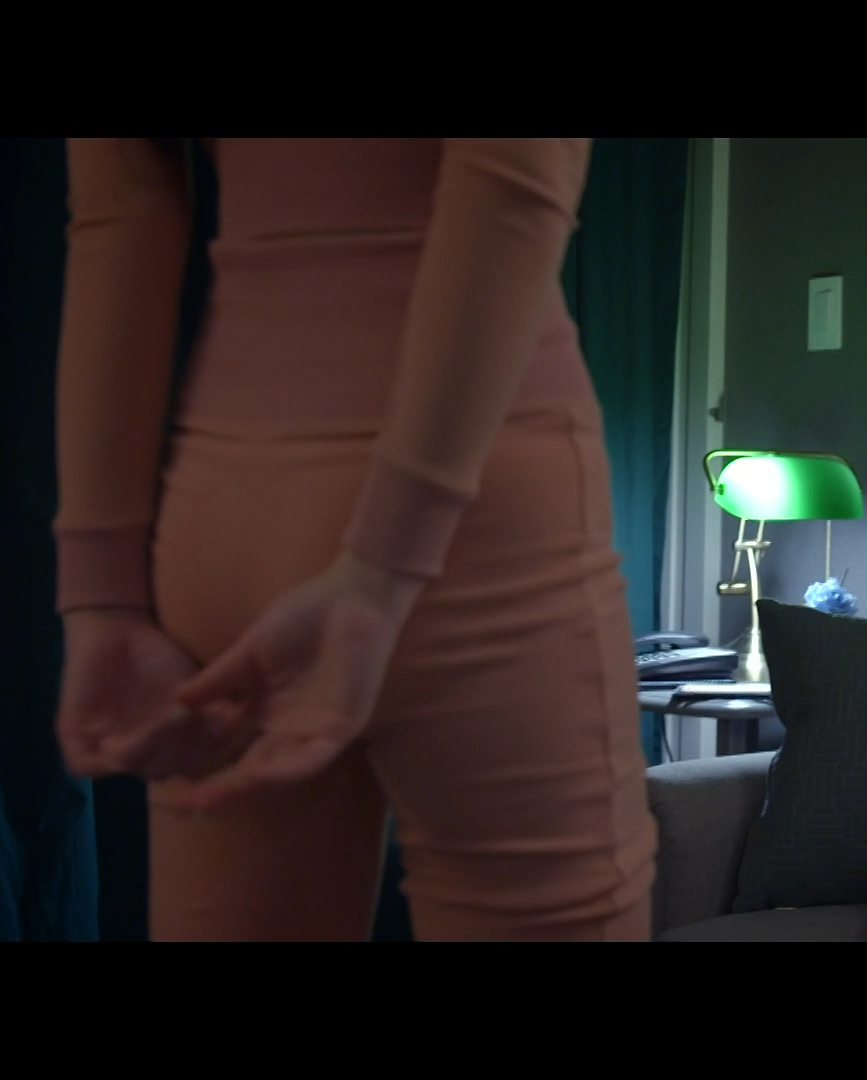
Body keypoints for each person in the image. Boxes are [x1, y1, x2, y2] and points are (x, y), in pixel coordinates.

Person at [50, 138, 658, 941]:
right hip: (481, 522)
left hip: (230, 509)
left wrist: (99, 598)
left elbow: (118, 217)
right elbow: (512, 182)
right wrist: (380, 571)